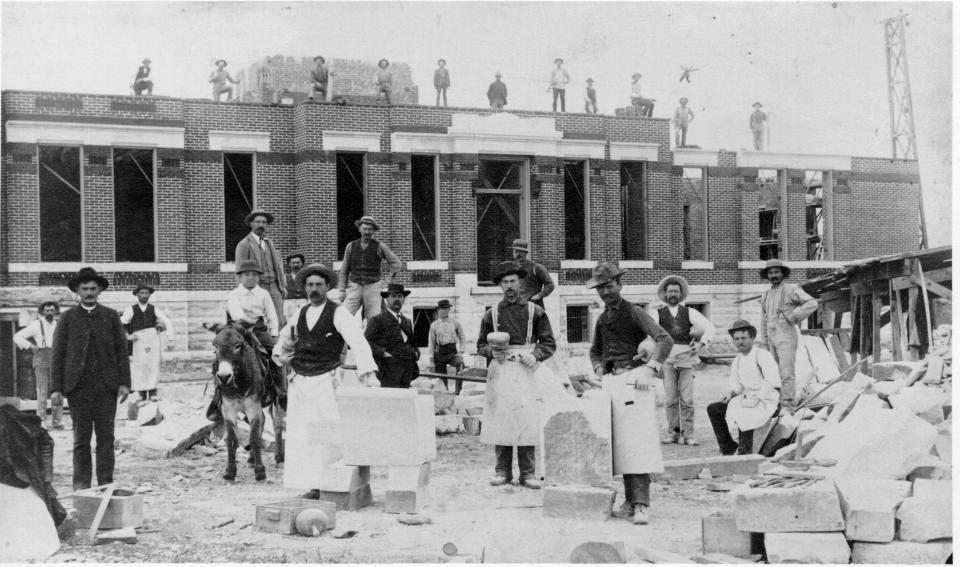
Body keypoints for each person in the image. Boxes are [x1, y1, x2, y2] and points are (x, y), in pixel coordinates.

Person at [272, 263, 379, 497]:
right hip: (301, 381)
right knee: (302, 434)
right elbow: (283, 340)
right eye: (309, 285)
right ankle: (310, 484)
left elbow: (358, 341)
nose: (314, 289)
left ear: (328, 287)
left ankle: (331, 484)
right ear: (304, 288)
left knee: (328, 435)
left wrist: (368, 374)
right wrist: (281, 356)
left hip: (326, 381)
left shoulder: (338, 312)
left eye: (319, 285)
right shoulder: (300, 313)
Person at [580, 262, 673, 525]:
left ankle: (642, 504)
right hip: (612, 382)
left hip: (635, 380)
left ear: (619, 285)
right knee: (620, 445)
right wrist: (598, 367)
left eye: (609, 286)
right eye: (601, 288)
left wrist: (650, 368)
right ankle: (630, 502)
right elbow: (594, 350)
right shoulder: (602, 318)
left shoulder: (633, 312)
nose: (606, 292)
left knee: (638, 445)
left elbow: (665, 339)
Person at [476, 261, 556, 490]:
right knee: (501, 417)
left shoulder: (535, 311)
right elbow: (481, 345)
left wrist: (537, 354)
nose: (509, 286)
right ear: (499, 285)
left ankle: (528, 473)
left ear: (520, 282)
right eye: (504, 282)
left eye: (513, 281)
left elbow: (549, 343)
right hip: (500, 369)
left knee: (526, 418)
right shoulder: (491, 314)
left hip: (525, 367)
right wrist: (491, 351)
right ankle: (502, 471)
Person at [50, 268, 131, 491]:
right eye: (84, 289)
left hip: (106, 387)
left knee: (106, 437)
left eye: (93, 289)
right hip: (78, 388)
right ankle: (82, 485)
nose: (89, 293)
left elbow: (121, 352)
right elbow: (57, 354)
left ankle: (105, 483)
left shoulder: (110, 316)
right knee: (81, 440)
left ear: (100, 290)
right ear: (77, 291)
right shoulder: (67, 318)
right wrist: (56, 388)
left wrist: (124, 382)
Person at [653, 275, 715, 445]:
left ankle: (688, 435)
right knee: (671, 399)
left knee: (687, 399)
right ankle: (673, 433)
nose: (673, 294)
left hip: (687, 359)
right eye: (670, 291)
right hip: (667, 360)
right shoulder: (657, 314)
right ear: (665, 294)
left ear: (681, 295)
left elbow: (710, 328)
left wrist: (701, 344)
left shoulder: (690, 312)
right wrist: (655, 360)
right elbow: (651, 336)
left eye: (676, 291)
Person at [707, 320, 781, 455]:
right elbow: (737, 383)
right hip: (747, 398)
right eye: (736, 339)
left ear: (752, 338)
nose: (740, 342)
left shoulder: (762, 355)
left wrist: (758, 397)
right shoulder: (738, 359)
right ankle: (728, 447)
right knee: (715, 409)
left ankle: (744, 452)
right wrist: (732, 393)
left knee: (745, 414)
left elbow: (772, 380)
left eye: (743, 338)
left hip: (766, 399)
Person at [759, 259, 818, 413]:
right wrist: (764, 342)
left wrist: (793, 317)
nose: (774, 275)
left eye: (777, 272)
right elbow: (763, 320)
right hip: (770, 335)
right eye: (770, 273)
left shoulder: (791, 289)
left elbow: (812, 303)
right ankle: (776, 405)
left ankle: (788, 406)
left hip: (785, 333)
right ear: (767, 275)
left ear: (783, 273)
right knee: (772, 372)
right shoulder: (765, 295)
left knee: (786, 372)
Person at [337, 216, 401, 320]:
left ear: (374, 231)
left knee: (373, 320)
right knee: (344, 316)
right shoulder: (351, 246)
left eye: (370, 229)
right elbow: (344, 269)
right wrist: (341, 290)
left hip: (373, 288)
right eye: (364, 229)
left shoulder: (380, 246)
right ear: (359, 229)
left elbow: (396, 264)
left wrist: (386, 282)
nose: (367, 232)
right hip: (355, 287)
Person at [13, 301, 63, 429]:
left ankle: (57, 422)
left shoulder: (60, 324)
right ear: (42, 312)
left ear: (56, 311)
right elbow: (17, 337)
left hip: (57, 360)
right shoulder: (36, 325)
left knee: (57, 391)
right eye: (47, 310)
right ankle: (41, 421)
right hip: (41, 359)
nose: (49, 313)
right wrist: (30, 346)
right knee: (42, 391)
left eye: (52, 310)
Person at [120, 284, 173, 402]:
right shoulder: (131, 309)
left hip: (153, 338)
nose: (144, 295)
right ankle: (142, 393)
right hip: (139, 339)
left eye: (146, 293)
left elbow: (166, 320)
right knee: (140, 365)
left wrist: (170, 338)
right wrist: (128, 336)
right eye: (142, 293)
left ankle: (153, 392)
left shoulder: (153, 308)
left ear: (150, 295)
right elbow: (121, 323)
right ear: (137, 294)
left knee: (153, 364)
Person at [235, 209, 286, 327]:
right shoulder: (244, 244)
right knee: (258, 320)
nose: (261, 225)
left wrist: (282, 286)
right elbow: (239, 272)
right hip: (257, 287)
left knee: (278, 320)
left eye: (264, 222)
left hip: (274, 286)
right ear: (251, 224)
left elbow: (277, 267)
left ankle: (277, 344)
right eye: (258, 222)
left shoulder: (269, 243)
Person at [364, 283, 420, 389]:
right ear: (386, 299)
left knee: (405, 401)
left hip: (407, 371)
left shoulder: (406, 321)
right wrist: (383, 353)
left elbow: (412, 341)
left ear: (404, 299)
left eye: (400, 296)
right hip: (388, 370)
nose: (397, 299)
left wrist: (416, 352)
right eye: (393, 296)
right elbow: (366, 342)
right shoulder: (377, 320)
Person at [227, 260, 280, 349]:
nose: (251, 278)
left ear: (259, 278)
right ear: (240, 277)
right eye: (247, 275)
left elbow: (272, 314)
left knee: (275, 352)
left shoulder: (263, 293)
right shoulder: (234, 293)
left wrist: (274, 333)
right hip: (239, 330)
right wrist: (250, 322)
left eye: (254, 275)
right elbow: (237, 314)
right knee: (228, 350)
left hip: (259, 330)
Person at [510, 239, 554, 309]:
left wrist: (538, 296)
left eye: (521, 252)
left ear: (526, 253)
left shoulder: (536, 268)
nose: (518, 255)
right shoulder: (512, 269)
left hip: (534, 307)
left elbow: (550, 285)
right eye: (515, 251)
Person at [427, 299, 465, 379]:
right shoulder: (434, 325)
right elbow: (431, 343)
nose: (444, 311)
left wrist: (461, 351)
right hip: (440, 353)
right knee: (441, 378)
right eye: (441, 309)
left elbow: (462, 337)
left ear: (449, 309)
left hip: (452, 351)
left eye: (446, 308)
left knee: (460, 364)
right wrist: (431, 360)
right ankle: (444, 390)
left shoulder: (455, 322)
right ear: (438, 310)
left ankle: (458, 390)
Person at [283, 253, 309, 323]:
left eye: (298, 263)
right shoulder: (284, 278)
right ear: (289, 264)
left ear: (302, 264)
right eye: (293, 263)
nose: (296, 265)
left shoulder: (307, 278)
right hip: (289, 305)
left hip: (303, 303)